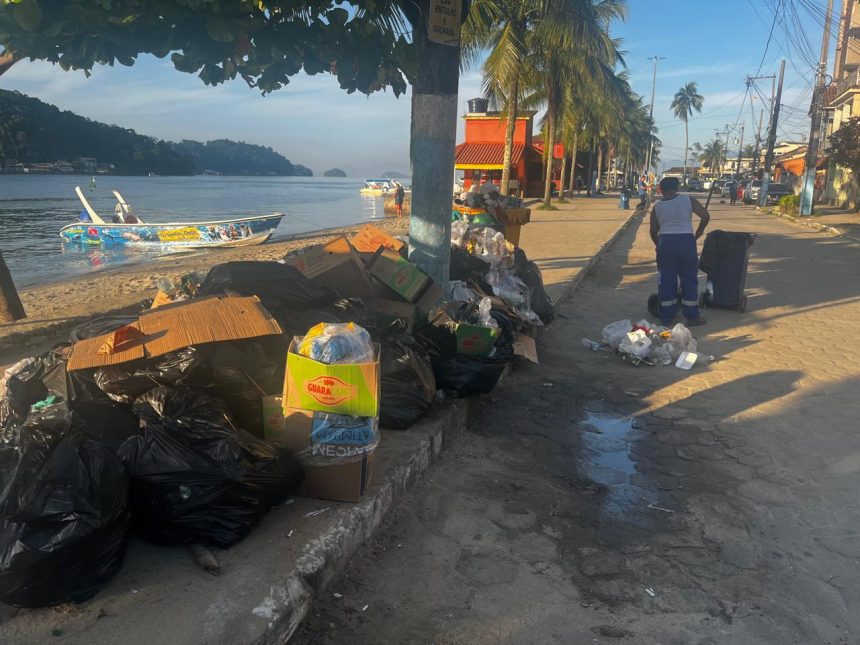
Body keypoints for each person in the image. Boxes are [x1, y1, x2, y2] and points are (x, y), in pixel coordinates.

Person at [649, 176, 710, 327]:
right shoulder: (688, 200)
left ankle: (666, 317)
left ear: (661, 190)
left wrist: (659, 244)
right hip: (686, 241)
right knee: (689, 278)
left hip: (666, 242)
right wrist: (699, 231)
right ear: (676, 188)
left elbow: (653, 231)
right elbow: (705, 216)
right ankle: (692, 317)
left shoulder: (657, 207)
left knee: (666, 280)